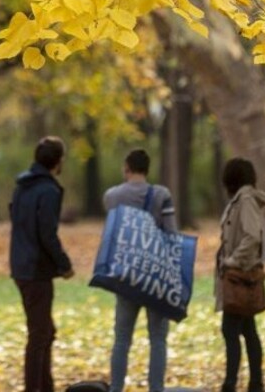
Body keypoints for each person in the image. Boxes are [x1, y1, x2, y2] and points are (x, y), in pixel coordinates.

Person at [102, 148, 178, 392]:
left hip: (125, 274)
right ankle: (156, 389)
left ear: (127, 167)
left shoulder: (112, 196)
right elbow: (172, 235)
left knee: (122, 338)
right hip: (154, 275)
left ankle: (116, 389)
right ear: (147, 169)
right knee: (157, 338)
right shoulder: (161, 195)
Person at [10, 136, 75, 392]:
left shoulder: (23, 186)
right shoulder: (47, 190)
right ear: (58, 162)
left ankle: (45, 386)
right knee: (39, 335)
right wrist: (64, 264)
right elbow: (46, 233)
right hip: (35, 268)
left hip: (20, 265)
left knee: (45, 331)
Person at [216, 157, 265, 392]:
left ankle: (230, 385)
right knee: (248, 330)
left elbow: (252, 236)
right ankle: (255, 383)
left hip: (241, 276)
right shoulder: (242, 200)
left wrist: (232, 261)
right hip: (241, 275)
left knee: (230, 330)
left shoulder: (245, 201)